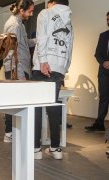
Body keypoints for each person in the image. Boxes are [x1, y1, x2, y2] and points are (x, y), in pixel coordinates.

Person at [32, 0, 73, 160]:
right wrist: (64, 67)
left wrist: (42, 61)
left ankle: (36, 149)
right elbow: (70, 46)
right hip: (58, 68)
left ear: (51, 2)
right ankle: (55, 148)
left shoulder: (45, 13)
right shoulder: (69, 22)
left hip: (43, 65)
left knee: (35, 106)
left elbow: (41, 38)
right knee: (54, 107)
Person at [2, 0, 35, 143]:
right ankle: (9, 132)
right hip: (16, 68)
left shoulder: (19, 23)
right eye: (30, 11)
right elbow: (12, 51)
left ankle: (10, 132)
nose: (32, 14)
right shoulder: (14, 25)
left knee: (14, 101)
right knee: (14, 102)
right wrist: (20, 74)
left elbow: (23, 43)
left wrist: (36, 41)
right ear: (21, 10)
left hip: (19, 67)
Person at [85, 11, 109, 132]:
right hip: (104, 73)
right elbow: (97, 53)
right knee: (104, 97)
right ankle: (100, 124)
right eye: (107, 20)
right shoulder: (103, 35)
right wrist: (103, 62)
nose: (108, 22)